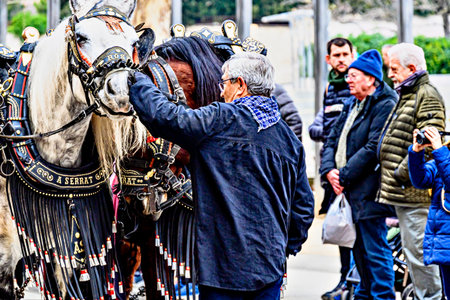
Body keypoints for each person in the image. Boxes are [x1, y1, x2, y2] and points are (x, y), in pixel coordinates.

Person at [128, 52, 315, 299]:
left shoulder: (221, 119)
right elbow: (303, 208)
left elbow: (167, 118)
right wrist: (285, 247)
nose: (220, 91)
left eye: (224, 82)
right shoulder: (289, 140)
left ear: (241, 85)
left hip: (222, 269)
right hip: (270, 268)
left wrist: (137, 80)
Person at [320, 49, 397, 299]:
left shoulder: (385, 104)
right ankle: (363, 295)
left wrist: (342, 176)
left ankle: (383, 296)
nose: (349, 80)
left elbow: (373, 147)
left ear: (371, 79)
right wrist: (328, 171)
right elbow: (331, 138)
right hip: (351, 190)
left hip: (371, 192)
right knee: (360, 252)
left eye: (354, 75)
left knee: (375, 250)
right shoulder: (352, 102)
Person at [378, 43, 444, 299]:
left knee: (420, 258)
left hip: (415, 195)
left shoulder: (426, 94)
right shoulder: (410, 93)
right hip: (406, 194)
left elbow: (429, 144)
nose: (391, 74)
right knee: (415, 258)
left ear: (412, 68)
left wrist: (400, 173)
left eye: (394, 69)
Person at [308, 37, 354, 299]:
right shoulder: (330, 88)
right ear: (328, 59)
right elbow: (319, 125)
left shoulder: (359, 83)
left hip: (354, 171)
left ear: (352, 54)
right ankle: (346, 280)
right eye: (336, 55)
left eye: (345, 54)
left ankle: (353, 282)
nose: (341, 59)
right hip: (333, 171)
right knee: (343, 230)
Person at [409, 127, 450, 298]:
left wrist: (439, 150)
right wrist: (416, 153)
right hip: (444, 239)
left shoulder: (444, 154)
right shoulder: (445, 155)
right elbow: (421, 180)